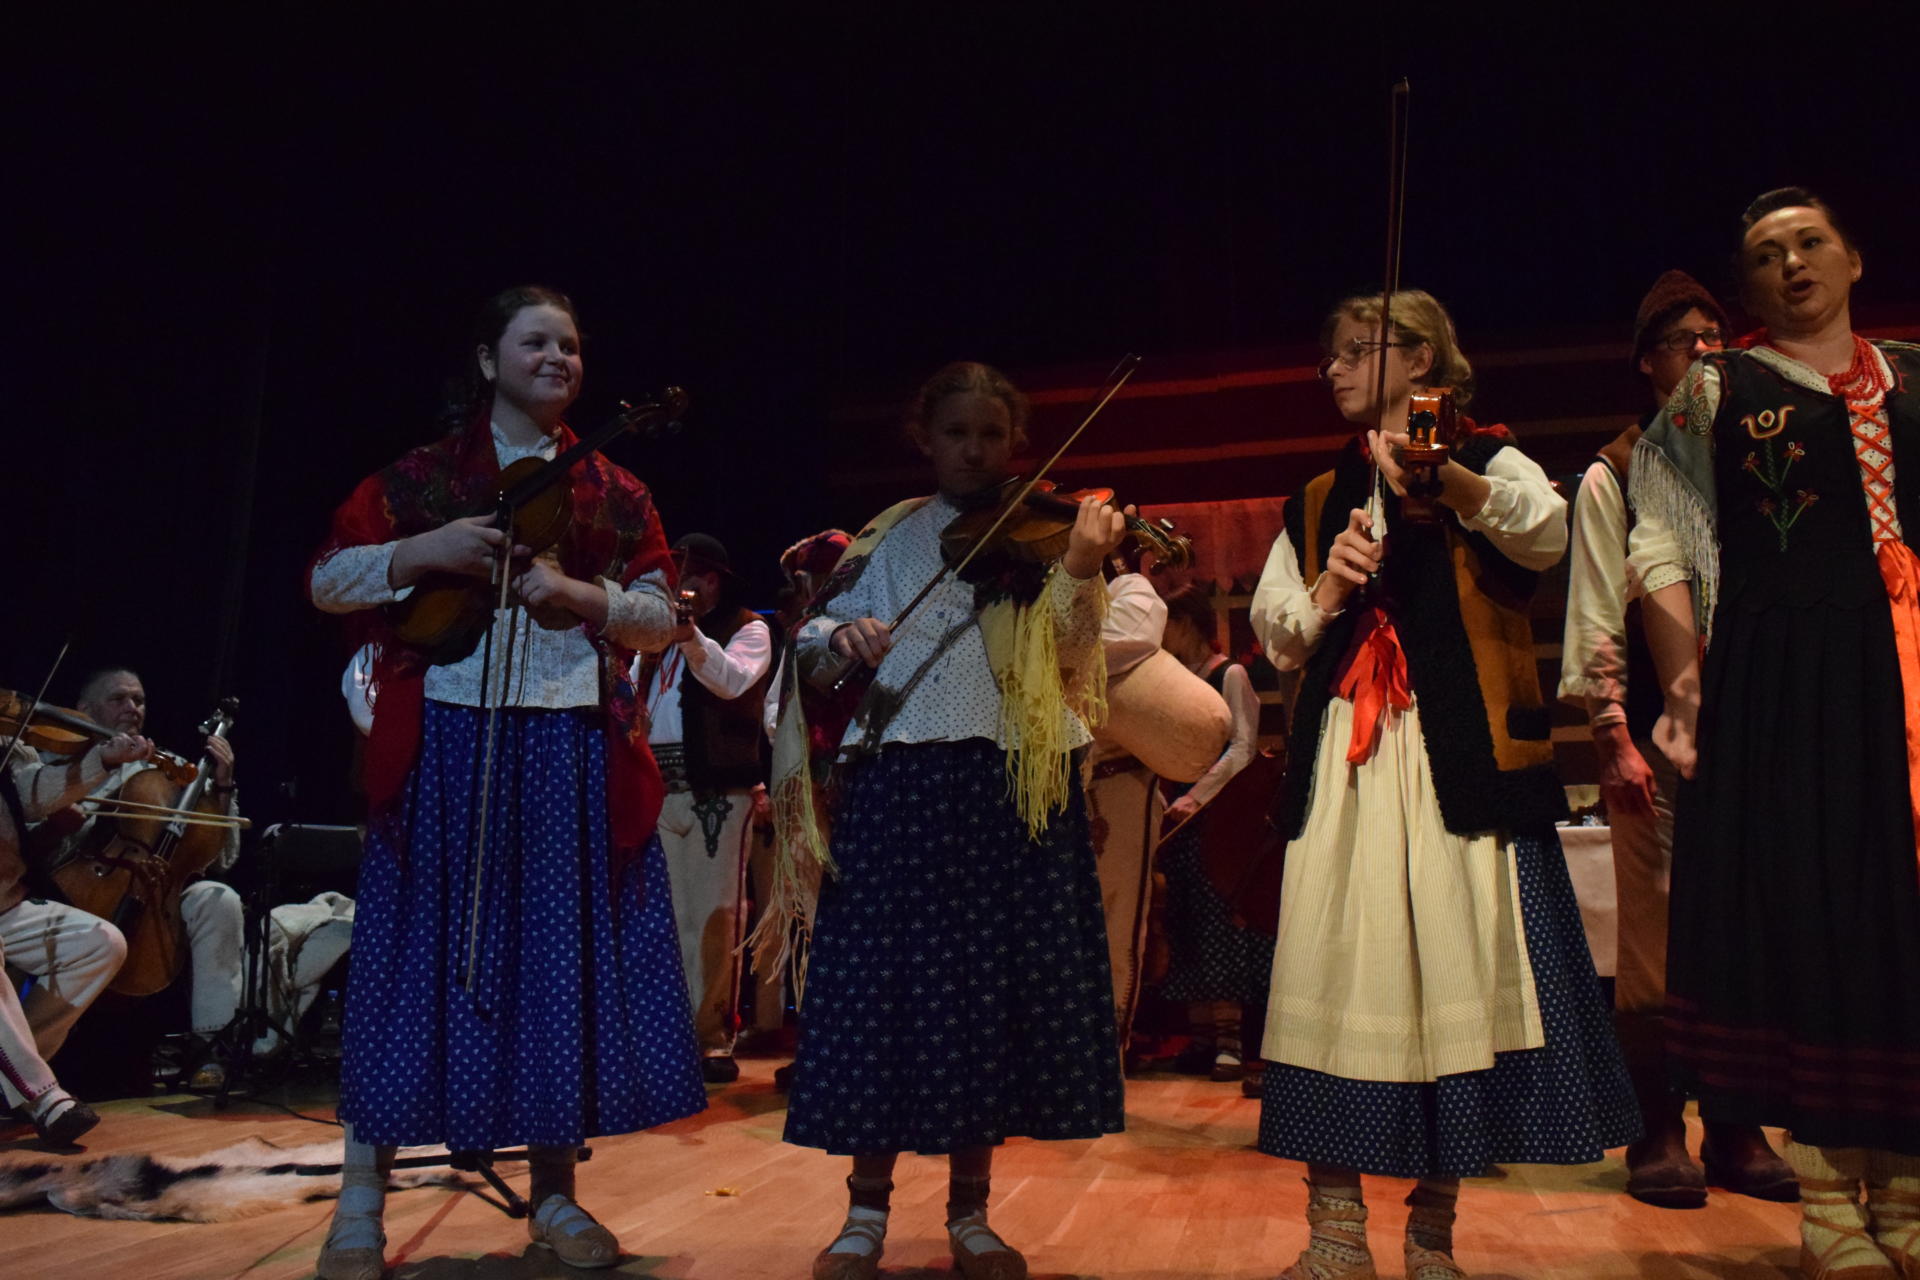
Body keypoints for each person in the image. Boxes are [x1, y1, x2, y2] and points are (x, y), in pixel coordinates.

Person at [308, 285, 705, 1279]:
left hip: (568, 742)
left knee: (552, 976)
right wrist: (422, 550)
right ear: (488, 359)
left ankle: (554, 1197)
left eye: (570, 344)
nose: (558, 357)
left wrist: (580, 592)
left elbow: (662, 616)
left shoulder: (616, 489)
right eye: (536, 342)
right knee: (407, 967)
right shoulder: (427, 477)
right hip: (444, 742)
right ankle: (359, 1203)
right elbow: (327, 580)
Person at [1250, 289, 1638, 1279]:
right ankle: (1335, 1232)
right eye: (1331, 356)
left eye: (1356, 350)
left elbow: (1546, 533)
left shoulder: (1487, 458)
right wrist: (1330, 587)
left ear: (1421, 359)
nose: (1334, 369)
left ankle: (1433, 1234)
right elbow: (1277, 630)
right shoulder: (1317, 496)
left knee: (1456, 975)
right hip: (1352, 766)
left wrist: (1452, 483)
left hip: (1462, 762)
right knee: (1341, 970)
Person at [764, 360, 1128, 1280]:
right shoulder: (889, 536)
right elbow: (812, 644)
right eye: (957, 433)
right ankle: (864, 1211)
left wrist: (1084, 568)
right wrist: (840, 638)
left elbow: (1073, 652)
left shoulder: (1044, 536)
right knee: (882, 996)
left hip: (1007, 780)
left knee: (986, 1000)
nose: (974, 450)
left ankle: (972, 1212)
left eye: (991, 436)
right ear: (923, 439)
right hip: (901, 779)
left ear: (1017, 444)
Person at [1628, 188, 1920, 1278]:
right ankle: (1833, 1191)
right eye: (1765, 254)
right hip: (1790, 681)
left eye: (1810, 242)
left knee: (1902, 925)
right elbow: (1658, 533)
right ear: (1747, 286)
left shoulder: (1916, 374)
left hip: (1910, 676)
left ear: (1853, 256)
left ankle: (1908, 1182)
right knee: (1818, 916)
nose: (1791, 263)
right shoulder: (1719, 388)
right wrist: (1683, 686)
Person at [1558, 271, 1795, 1208]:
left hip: (1751, 733)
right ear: (1647, 363)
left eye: (1714, 337)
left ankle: (1738, 1128)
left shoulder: (1754, 461)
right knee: (1655, 934)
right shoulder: (1614, 472)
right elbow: (1594, 614)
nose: (1704, 351)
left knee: (1744, 927)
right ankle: (1656, 1131)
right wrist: (1611, 731)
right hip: (1654, 734)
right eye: (1683, 340)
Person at [34, 668, 245, 1089]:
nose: (132, 708)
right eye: (119, 699)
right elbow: (35, 847)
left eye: (140, 700)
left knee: (218, 898)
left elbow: (221, 857)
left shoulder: (173, 770)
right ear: (84, 709)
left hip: (158, 895)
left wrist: (222, 786)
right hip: (82, 889)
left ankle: (209, 1048)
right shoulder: (56, 762)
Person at [640, 530, 775, 1084]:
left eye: (687, 576)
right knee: (668, 921)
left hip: (714, 792)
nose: (676, 586)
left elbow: (731, 682)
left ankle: (713, 1038)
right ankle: (668, 1036)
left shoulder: (748, 628)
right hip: (657, 788)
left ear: (711, 581)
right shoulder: (655, 641)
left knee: (715, 919)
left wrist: (689, 635)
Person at [0, 723, 146, 1146]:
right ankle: (43, 1096)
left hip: (8, 904)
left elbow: (34, 793)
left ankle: (9, 1081)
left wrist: (103, 760)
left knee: (101, 943)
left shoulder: (8, 747)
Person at [1153, 584, 1264, 1083]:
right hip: (1177, 816)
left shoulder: (1228, 674)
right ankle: (1200, 1039)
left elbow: (1242, 747)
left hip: (1217, 817)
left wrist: (1197, 797)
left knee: (1219, 924)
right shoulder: (1174, 680)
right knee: (1184, 921)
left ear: (1185, 624)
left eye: (1167, 625)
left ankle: (1229, 1042)